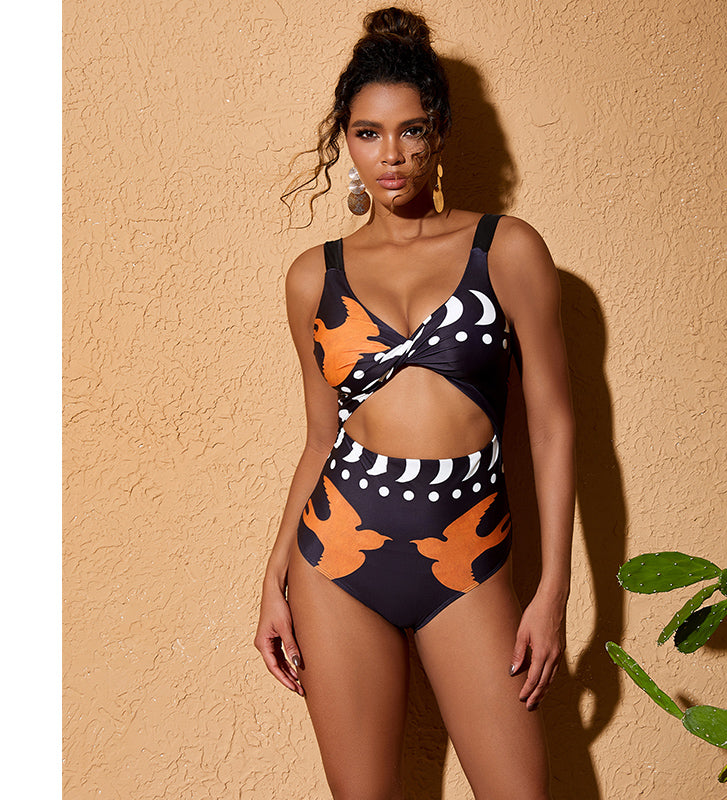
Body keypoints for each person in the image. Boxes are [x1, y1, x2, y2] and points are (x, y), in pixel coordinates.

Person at [254, 7, 575, 799]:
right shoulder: (312, 277)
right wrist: (273, 578)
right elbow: (320, 438)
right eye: (368, 133)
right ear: (346, 140)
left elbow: (554, 425)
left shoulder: (506, 249)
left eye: (411, 130)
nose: (390, 155)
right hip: (336, 559)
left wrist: (553, 592)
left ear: (440, 134)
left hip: (468, 556)